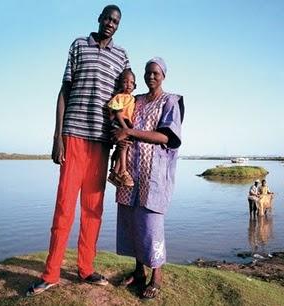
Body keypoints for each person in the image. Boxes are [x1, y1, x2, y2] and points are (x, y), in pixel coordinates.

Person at [27, 5, 130, 296]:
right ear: (99, 19)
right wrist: (57, 136)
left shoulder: (122, 56)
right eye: (108, 18)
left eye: (116, 21)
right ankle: (51, 273)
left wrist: (121, 139)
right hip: (73, 135)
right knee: (63, 207)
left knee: (93, 209)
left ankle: (85, 269)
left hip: (101, 140)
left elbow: (123, 99)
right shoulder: (78, 45)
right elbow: (64, 91)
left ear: (119, 26)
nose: (111, 23)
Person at [112, 57, 184, 299]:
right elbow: (121, 118)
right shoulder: (137, 100)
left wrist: (130, 131)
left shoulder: (170, 101)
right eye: (147, 73)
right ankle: (138, 271)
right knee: (133, 222)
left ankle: (156, 277)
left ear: (163, 75)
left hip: (154, 174)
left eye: (155, 73)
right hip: (130, 170)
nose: (151, 77)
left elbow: (166, 137)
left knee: (151, 224)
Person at [107, 70, 136, 187]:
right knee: (123, 146)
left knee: (124, 147)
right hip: (118, 124)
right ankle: (123, 171)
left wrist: (129, 125)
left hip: (126, 125)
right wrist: (125, 128)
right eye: (125, 82)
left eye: (131, 82)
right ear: (120, 84)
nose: (128, 84)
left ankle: (114, 173)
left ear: (135, 86)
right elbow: (118, 114)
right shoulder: (119, 97)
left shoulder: (132, 98)